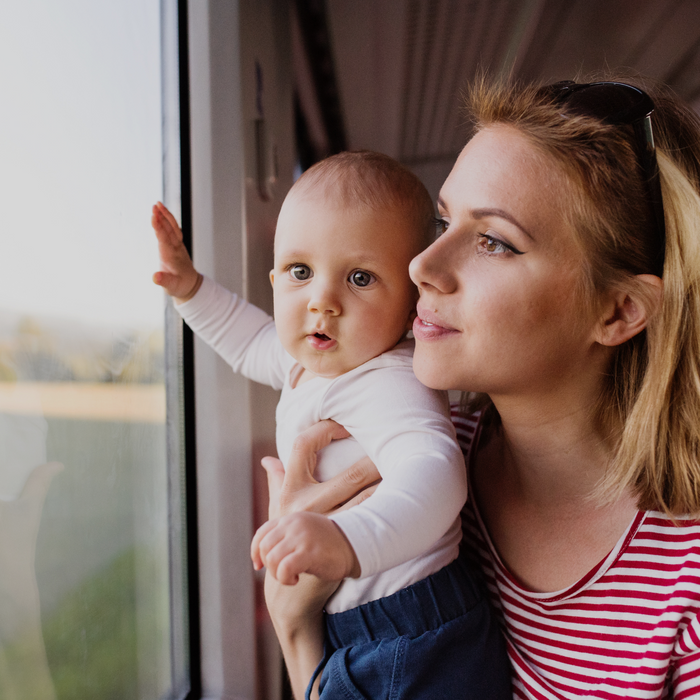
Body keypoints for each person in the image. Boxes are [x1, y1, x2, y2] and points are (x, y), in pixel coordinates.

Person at [262, 77, 700, 699]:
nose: (420, 266)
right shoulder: (392, 456)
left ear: (619, 310)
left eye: (493, 241)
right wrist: (295, 616)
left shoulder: (685, 585)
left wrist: (296, 626)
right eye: (443, 221)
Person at [151, 151, 511, 699]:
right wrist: (190, 290)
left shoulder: (388, 379)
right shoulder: (311, 362)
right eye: (300, 272)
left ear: (414, 301)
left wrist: (347, 539)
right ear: (274, 278)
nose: (322, 300)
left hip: (412, 634)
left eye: (360, 278)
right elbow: (249, 342)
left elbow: (437, 472)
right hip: (364, 626)